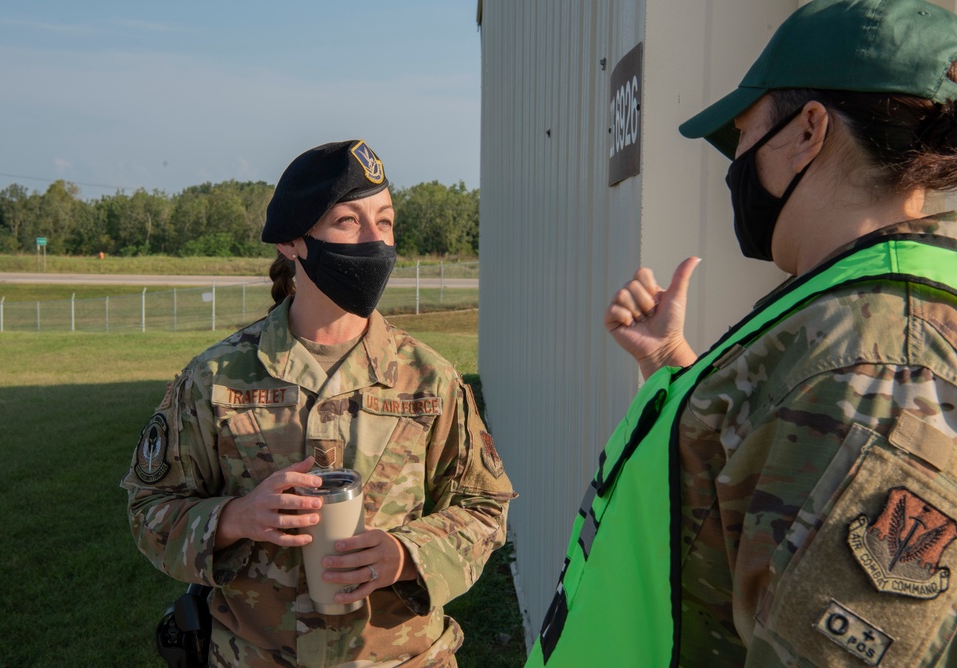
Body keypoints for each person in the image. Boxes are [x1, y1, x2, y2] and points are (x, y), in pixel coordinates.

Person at [530, 1, 957, 666]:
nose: (736, 166)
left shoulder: (880, 364)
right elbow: (764, 479)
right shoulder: (844, 309)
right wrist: (672, 364)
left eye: (743, 136)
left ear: (809, 131)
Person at [121, 139, 515, 667]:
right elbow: (150, 510)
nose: (375, 241)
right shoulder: (214, 378)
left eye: (386, 222)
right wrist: (236, 518)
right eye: (349, 222)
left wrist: (406, 554)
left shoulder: (430, 380)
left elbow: (486, 508)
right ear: (292, 241)